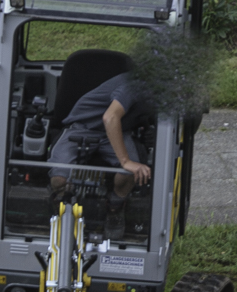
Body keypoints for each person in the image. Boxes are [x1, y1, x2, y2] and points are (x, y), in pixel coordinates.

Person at [47, 72, 156, 233]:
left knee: (132, 172)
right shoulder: (133, 85)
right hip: (83, 127)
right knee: (59, 179)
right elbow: (110, 118)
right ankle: (61, 206)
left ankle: (115, 206)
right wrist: (125, 161)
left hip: (121, 130)